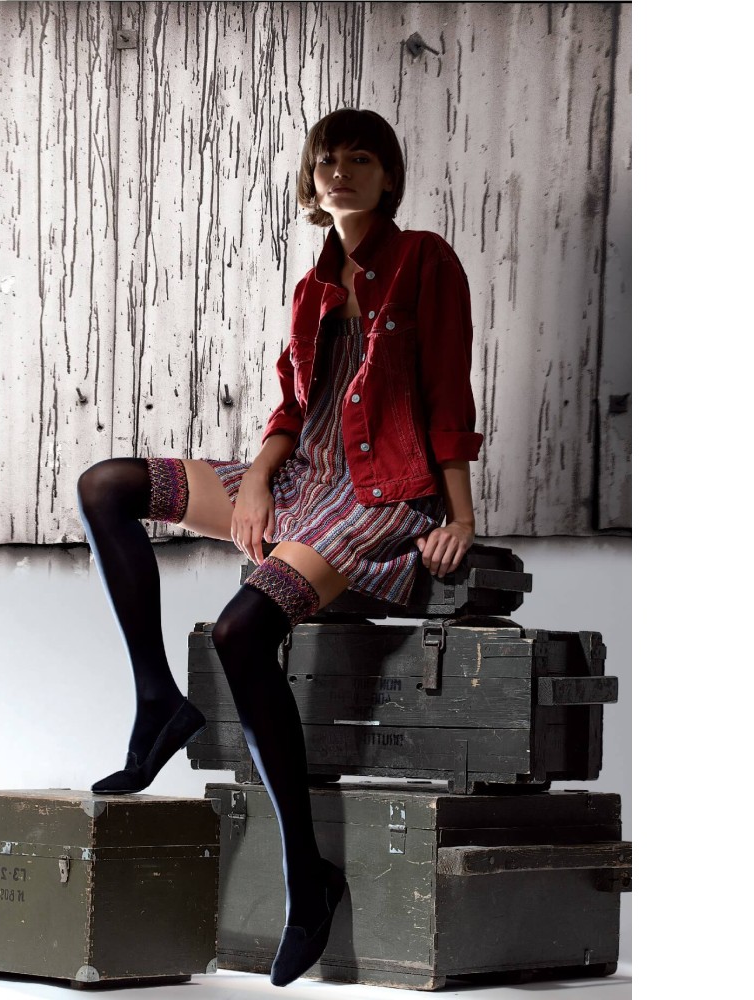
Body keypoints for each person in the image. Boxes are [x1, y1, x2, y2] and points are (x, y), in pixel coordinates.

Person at [76, 108, 483, 988]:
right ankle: (158, 703)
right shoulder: (313, 287)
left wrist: (460, 515)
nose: (341, 172)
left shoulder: (426, 260)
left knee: (240, 633)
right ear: (311, 179)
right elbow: (292, 410)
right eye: (327, 160)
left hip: (378, 497)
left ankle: (308, 880)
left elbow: (448, 390)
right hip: (299, 479)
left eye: (361, 159)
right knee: (106, 486)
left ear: (388, 176)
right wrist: (257, 481)